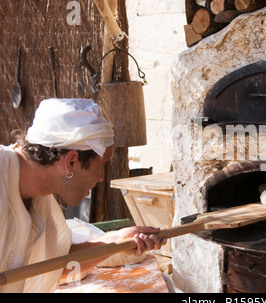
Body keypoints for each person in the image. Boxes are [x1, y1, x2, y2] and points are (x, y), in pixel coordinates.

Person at [0, 98, 165, 292]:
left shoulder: (38, 196)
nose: (101, 178)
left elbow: (52, 267)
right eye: (101, 166)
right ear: (71, 162)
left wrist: (115, 241)